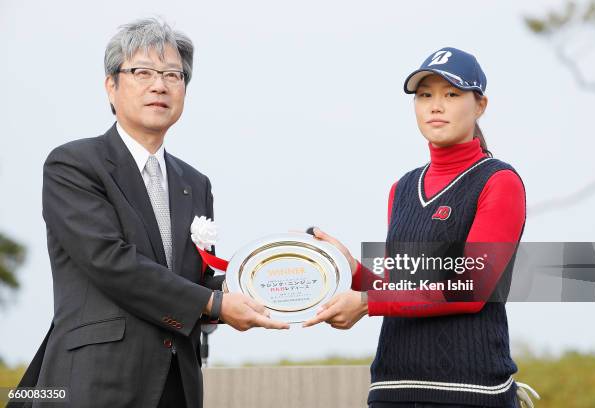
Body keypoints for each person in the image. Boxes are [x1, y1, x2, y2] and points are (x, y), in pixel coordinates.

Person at [10, 18, 287, 408]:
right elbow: (110, 261)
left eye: (173, 75)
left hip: (179, 385)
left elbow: (190, 281)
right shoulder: (73, 165)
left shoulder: (196, 182)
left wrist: (270, 282)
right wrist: (213, 304)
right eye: (143, 72)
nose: (160, 85)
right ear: (112, 85)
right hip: (95, 383)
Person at [304, 47, 538, 407]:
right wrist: (351, 270)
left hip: (468, 393)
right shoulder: (402, 188)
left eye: (452, 94)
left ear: (480, 105)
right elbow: (402, 290)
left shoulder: (498, 181)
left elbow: (470, 288)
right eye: (425, 95)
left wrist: (366, 302)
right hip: (393, 389)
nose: (436, 105)